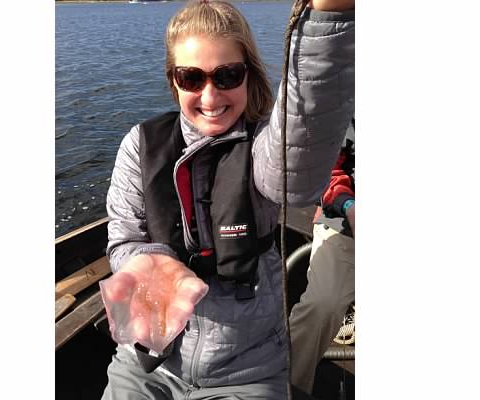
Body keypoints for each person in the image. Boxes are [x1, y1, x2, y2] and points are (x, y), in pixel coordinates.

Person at [101, 0, 355, 398]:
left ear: (248, 77)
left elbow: (301, 151)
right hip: (147, 361)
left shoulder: (264, 150)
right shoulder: (139, 145)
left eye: (227, 75)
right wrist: (157, 269)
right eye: (191, 77)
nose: (209, 95)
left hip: (247, 369)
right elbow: (122, 237)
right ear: (174, 81)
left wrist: (329, 16)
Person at [289, 118, 355, 395]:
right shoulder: (347, 104)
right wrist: (349, 205)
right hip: (345, 224)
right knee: (321, 304)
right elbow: (324, 171)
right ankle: (285, 387)